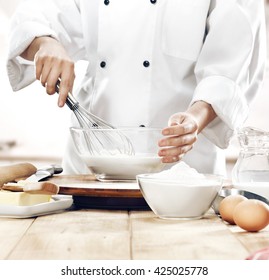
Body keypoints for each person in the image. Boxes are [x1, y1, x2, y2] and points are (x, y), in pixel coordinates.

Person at [6, 0, 267, 175]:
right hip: (90, 169)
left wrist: (195, 119)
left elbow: (233, 59)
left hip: (182, 172)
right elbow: (36, 13)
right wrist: (45, 43)